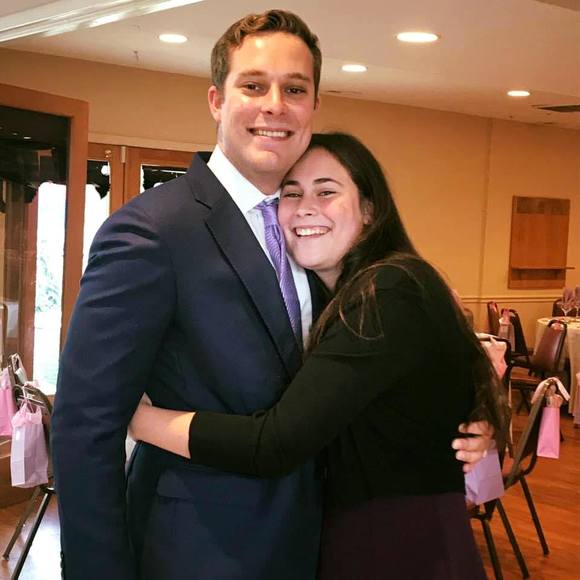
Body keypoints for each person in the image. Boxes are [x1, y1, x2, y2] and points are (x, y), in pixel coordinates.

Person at [51, 10, 492, 580]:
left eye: (295, 89)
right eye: (254, 86)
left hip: (321, 541)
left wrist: (472, 421)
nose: (275, 105)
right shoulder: (153, 232)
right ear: (217, 100)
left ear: (314, 105)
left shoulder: (317, 242)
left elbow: (380, 374)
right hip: (201, 552)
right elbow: (86, 425)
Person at [130, 132, 508, 579]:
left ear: (369, 210)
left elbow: (274, 444)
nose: (306, 207)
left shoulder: (389, 290)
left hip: (402, 545)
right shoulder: (336, 294)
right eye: (292, 193)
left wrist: (139, 420)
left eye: (326, 191)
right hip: (359, 535)